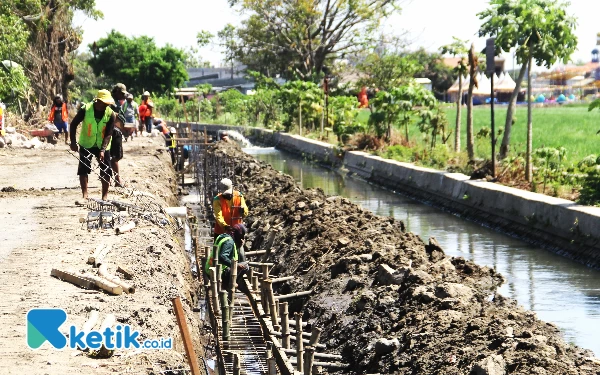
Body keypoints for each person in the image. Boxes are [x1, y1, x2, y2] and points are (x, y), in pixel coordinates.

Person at [69, 89, 116, 203]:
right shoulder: (86, 110)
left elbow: (109, 133)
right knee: (83, 168)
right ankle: (85, 195)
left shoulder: (111, 114)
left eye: (107, 104)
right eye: (104, 103)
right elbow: (73, 124)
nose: (106, 106)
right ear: (98, 101)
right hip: (87, 143)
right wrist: (73, 142)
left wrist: (103, 150)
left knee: (106, 169)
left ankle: (104, 196)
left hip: (103, 144)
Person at [205, 223, 249, 290]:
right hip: (218, 272)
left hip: (210, 269)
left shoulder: (223, 236)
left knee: (240, 264)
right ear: (238, 234)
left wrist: (239, 246)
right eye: (241, 236)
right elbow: (223, 257)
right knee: (246, 267)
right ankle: (228, 284)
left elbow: (229, 252)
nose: (242, 238)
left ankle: (227, 283)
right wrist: (236, 265)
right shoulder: (229, 242)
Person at [110, 84, 128, 187]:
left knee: (113, 155)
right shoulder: (111, 104)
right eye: (122, 94)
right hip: (114, 131)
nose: (124, 96)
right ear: (116, 92)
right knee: (115, 156)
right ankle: (117, 180)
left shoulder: (115, 103)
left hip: (115, 130)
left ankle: (113, 179)